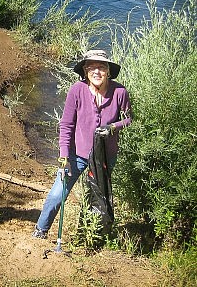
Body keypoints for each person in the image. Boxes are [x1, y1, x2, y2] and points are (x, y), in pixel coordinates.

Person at [32, 49, 131, 239]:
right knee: (57, 194)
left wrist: (113, 127)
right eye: (91, 67)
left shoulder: (120, 92)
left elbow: (129, 119)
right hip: (76, 154)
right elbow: (66, 125)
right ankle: (40, 230)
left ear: (108, 70)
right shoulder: (77, 90)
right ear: (85, 71)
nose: (97, 72)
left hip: (105, 156)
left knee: (96, 197)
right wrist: (63, 158)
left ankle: (86, 234)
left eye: (101, 67)